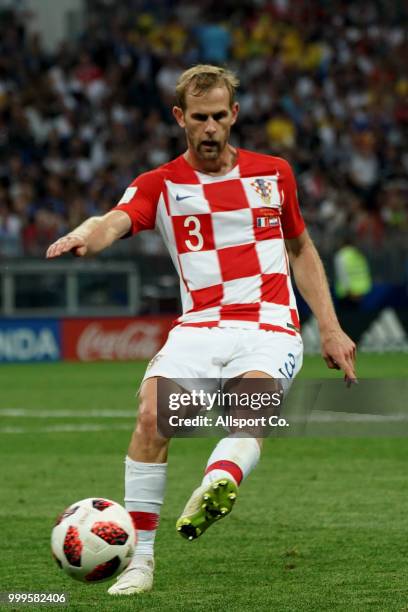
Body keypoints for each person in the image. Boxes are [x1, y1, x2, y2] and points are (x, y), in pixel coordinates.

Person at [46, 65, 356, 596]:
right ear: (180, 119)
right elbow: (115, 221)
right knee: (151, 415)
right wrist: (86, 235)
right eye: (199, 118)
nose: (210, 127)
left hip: (268, 323)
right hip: (199, 326)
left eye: (219, 117)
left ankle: (219, 481)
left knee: (251, 404)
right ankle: (140, 562)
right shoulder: (160, 184)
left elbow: (301, 248)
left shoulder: (274, 173)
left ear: (233, 115)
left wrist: (329, 327)